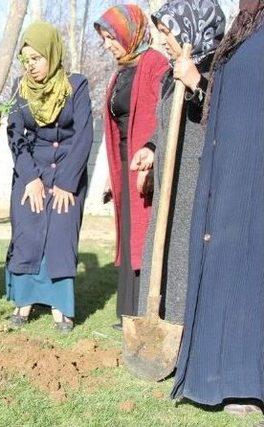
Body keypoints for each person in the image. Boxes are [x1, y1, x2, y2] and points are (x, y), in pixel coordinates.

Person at [172, 0, 264, 416]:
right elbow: (229, 102)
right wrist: (199, 83)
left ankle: (244, 378)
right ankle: (218, 372)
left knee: (248, 262)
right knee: (227, 260)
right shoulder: (246, 31)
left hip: (253, 173)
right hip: (228, 167)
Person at [137, 0, 225, 325]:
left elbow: (225, 120)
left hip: (195, 187)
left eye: (167, 33)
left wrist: (198, 84)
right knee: (159, 255)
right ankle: (153, 324)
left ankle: (182, 332)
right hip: (167, 186)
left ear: (192, 30)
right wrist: (150, 147)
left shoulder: (219, 70)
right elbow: (165, 126)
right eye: (159, 33)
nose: (162, 41)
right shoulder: (167, 76)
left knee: (183, 263)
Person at [5, 21, 94, 332]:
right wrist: (29, 177)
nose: (31, 67)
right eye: (26, 60)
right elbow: (15, 134)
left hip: (68, 170)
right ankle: (24, 301)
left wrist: (67, 183)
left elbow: (84, 136)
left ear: (53, 55)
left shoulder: (77, 85)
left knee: (61, 229)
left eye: (37, 59)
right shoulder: (20, 89)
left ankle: (61, 305)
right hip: (31, 171)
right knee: (27, 229)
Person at [94, 4, 170, 330]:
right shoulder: (121, 70)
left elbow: (164, 113)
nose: (107, 45)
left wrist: (153, 149)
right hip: (125, 162)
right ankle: (127, 313)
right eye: (104, 39)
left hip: (147, 162)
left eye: (110, 37)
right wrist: (114, 174)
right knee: (128, 236)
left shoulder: (155, 63)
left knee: (146, 235)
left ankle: (144, 312)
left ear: (129, 32)